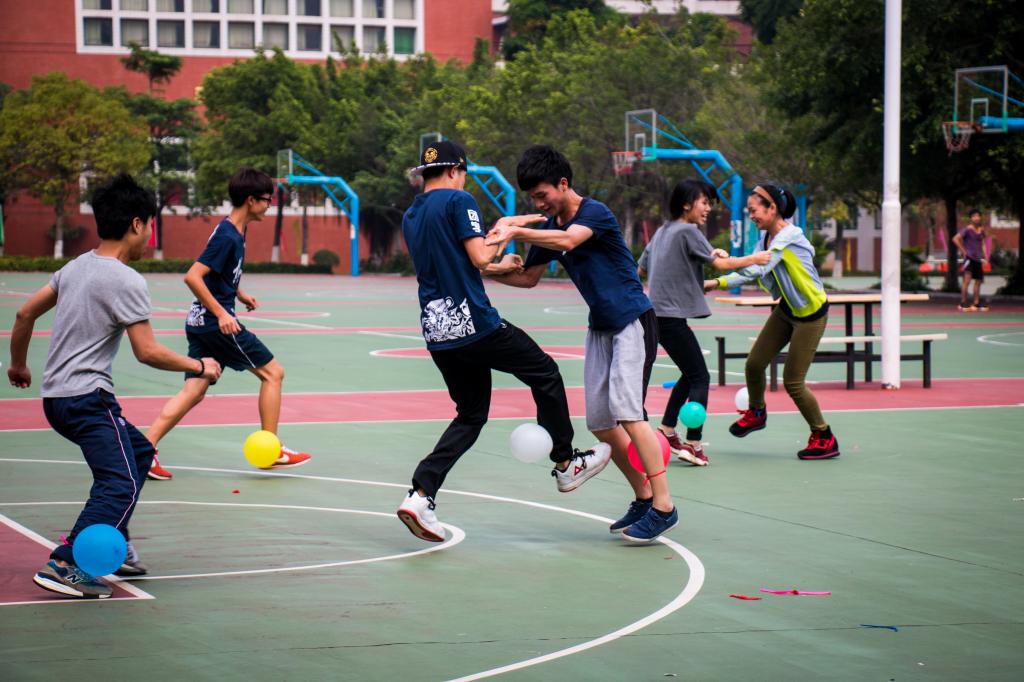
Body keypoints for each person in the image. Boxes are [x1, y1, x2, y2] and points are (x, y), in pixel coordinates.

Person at [6, 174, 223, 598]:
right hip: (88, 399)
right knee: (118, 481)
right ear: (137, 224)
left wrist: (18, 364)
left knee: (139, 453)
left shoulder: (74, 267)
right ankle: (67, 564)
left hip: (56, 399)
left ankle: (111, 541)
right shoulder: (126, 280)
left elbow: (24, 314)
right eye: (151, 225)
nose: (150, 234)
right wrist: (200, 365)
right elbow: (148, 352)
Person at [396, 140, 611, 543]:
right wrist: (502, 236)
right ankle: (566, 462)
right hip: (475, 324)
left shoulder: (412, 213)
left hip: (437, 329)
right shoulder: (460, 201)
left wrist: (501, 243)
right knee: (545, 372)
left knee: (470, 416)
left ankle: (420, 495)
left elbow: (459, 260)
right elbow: (478, 258)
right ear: (456, 170)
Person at [486, 144, 677, 543]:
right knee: (601, 423)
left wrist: (516, 229)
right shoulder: (550, 228)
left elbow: (570, 241)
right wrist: (485, 269)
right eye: (532, 198)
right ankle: (644, 497)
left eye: (542, 195)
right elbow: (528, 278)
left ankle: (664, 506)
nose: (539, 203)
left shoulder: (594, 213)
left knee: (629, 414)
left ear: (563, 183)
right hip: (601, 327)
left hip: (632, 321)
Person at [143, 168, 311, 480]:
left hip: (199, 322)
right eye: (267, 200)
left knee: (194, 389)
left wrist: (239, 293)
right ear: (251, 200)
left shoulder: (233, 229)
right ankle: (272, 450)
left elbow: (218, 273)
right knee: (273, 373)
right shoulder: (228, 235)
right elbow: (193, 276)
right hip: (215, 324)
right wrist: (222, 313)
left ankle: (144, 449)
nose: (269, 205)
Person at [638, 179, 771, 466]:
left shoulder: (662, 231)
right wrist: (755, 258)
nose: (708, 208)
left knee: (690, 374)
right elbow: (720, 265)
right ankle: (693, 443)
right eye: (705, 202)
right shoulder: (688, 230)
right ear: (687, 204)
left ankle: (667, 430)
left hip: (655, 317)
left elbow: (641, 269)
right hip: (671, 318)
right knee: (701, 378)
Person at [704, 184, 840, 460]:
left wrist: (726, 265)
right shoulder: (765, 238)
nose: (751, 215)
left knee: (793, 381)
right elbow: (751, 269)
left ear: (772, 208)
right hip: (788, 309)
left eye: (754, 210)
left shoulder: (788, 237)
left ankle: (824, 436)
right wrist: (717, 283)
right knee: (754, 364)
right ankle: (756, 413)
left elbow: (758, 267)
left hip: (811, 315)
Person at [952, 209, 989, 312]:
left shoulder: (981, 230)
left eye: (978, 216)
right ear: (971, 218)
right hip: (969, 258)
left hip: (978, 259)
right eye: (974, 216)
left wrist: (986, 256)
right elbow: (955, 239)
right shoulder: (967, 229)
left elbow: (982, 243)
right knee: (967, 280)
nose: (976, 218)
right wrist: (963, 251)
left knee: (978, 281)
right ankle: (963, 302)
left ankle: (976, 302)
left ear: (980, 217)